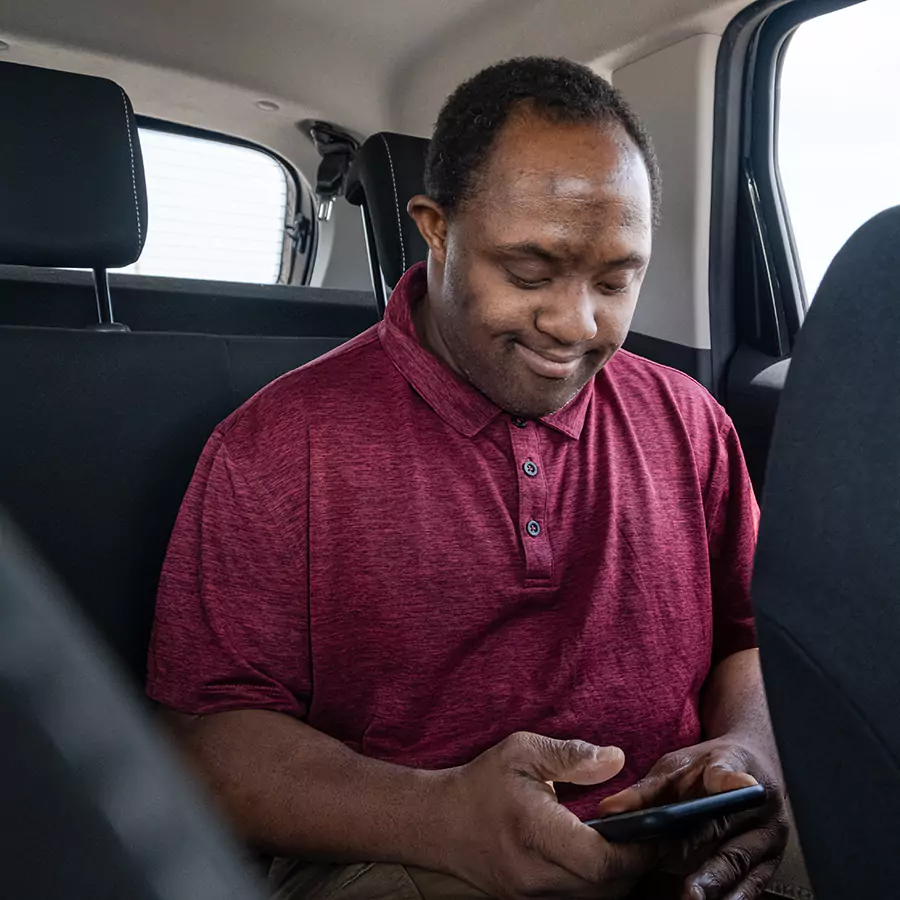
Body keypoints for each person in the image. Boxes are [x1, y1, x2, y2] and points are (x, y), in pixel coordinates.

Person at [147, 57, 788, 900]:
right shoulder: (274, 447)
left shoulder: (690, 420)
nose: (575, 325)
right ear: (435, 228)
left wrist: (748, 751)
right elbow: (205, 739)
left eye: (615, 279)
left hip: (675, 840)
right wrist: (438, 814)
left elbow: (756, 641)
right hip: (404, 850)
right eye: (529, 274)